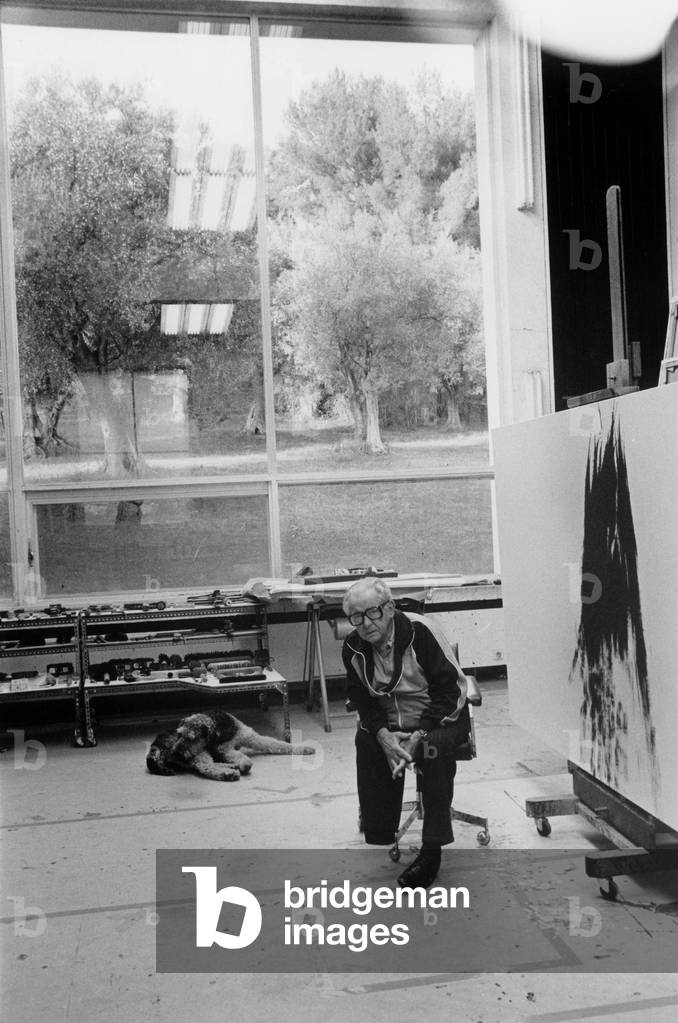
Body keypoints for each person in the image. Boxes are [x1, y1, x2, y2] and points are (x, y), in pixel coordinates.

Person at [341, 577, 470, 889]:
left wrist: (418, 735)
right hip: (394, 723)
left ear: (389, 608)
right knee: (366, 740)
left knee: (432, 749)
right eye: (356, 617)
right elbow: (363, 702)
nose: (365, 623)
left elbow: (449, 692)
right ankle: (382, 831)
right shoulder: (352, 648)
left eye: (371, 612)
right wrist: (384, 735)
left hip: (438, 719)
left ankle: (431, 851)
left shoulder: (420, 631)